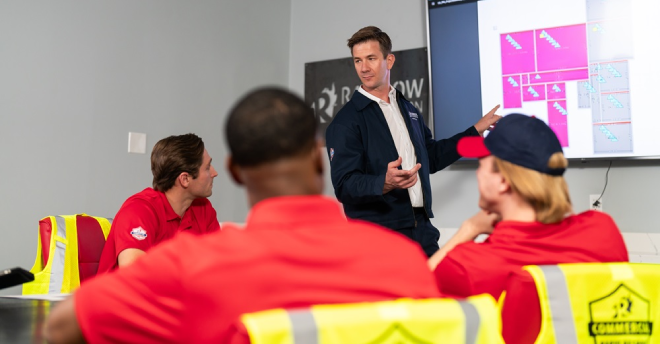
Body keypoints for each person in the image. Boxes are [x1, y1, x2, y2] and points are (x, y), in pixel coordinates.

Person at [44, 87, 440, 344]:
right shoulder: (402, 260)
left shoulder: (187, 271)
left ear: (234, 171)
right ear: (320, 166)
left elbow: (61, 327)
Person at [326, 26, 500, 257]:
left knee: (438, 290)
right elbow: (344, 187)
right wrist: (383, 182)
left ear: (389, 60)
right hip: (379, 235)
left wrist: (475, 132)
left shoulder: (407, 109)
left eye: (371, 58)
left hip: (421, 228)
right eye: (358, 60)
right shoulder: (346, 121)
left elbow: (432, 157)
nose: (364, 68)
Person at [428, 113, 628, 300]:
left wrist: (469, 229)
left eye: (482, 164)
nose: (478, 173)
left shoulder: (469, 265)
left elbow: (412, 299)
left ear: (503, 181)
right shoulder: (603, 232)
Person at [97, 133, 220, 272]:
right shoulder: (139, 210)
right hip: (123, 293)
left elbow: (219, 269)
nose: (214, 172)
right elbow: (135, 276)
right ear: (184, 179)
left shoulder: (203, 208)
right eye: (207, 167)